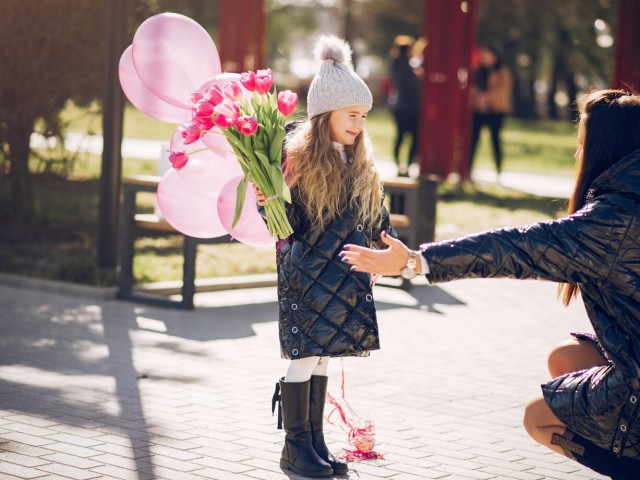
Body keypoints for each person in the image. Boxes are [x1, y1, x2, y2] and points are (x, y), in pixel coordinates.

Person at [340, 89, 640, 480]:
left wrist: (416, 261)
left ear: (605, 151)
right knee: (566, 359)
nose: (578, 156)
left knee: (539, 419)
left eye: (582, 145)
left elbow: (514, 248)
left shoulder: (612, 223)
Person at [255, 35, 395, 478]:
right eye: (352, 115)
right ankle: (294, 447)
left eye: (363, 116)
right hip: (306, 272)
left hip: (341, 276)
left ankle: (313, 441)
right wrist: (267, 201)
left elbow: (372, 212)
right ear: (325, 115)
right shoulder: (297, 158)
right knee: (303, 356)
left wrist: (387, 240)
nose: (359, 124)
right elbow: (287, 221)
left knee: (322, 356)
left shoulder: (359, 161)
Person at [468, 45, 512, 178]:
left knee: (495, 140)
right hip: (478, 110)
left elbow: (503, 91)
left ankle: (498, 169)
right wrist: (477, 99)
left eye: (488, 55)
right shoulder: (478, 71)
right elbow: (471, 87)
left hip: (495, 110)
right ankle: (468, 169)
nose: (485, 58)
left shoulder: (502, 71)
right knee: (473, 140)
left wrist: (488, 98)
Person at [388, 36, 421, 176]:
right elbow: (413, 88)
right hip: (410, 107)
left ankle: (398, 163)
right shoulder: (408, 67)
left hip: (398, 105)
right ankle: (407, 164)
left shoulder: (394, 64)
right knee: (414, 137)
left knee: (400, 136)